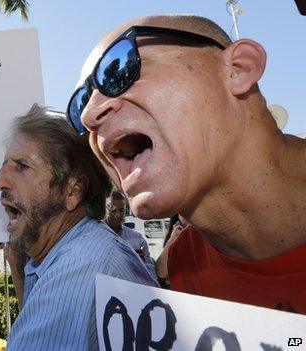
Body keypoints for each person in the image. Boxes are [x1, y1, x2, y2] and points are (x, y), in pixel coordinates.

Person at [67, 14, 306, 313]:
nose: (89, 116)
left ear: (239, 68)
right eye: (79, 106)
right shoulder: (182, 266)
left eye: (118, 69)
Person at [0, 105, 157, 350]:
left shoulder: (83, 265)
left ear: (73, 190)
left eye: (22, 166)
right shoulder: (57, 256)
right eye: (4, 164)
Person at [104, 190, 157, 280]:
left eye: (121, 210)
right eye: (112, 210)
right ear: (103, 209)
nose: (118, 214)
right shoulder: (92, 236)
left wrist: (139, 264)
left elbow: (151, 273)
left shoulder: (137, 239)